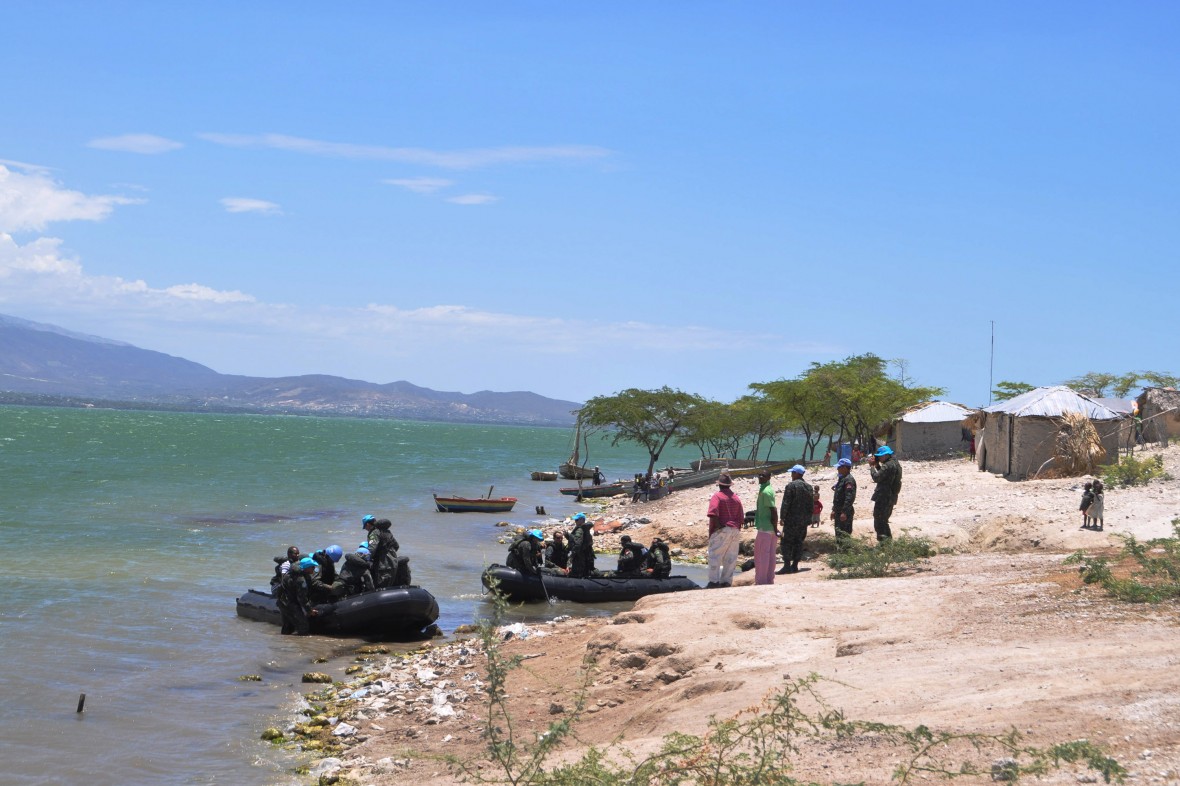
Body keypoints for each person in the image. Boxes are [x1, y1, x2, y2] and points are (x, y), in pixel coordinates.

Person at [705, 472, 744, 588]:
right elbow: (741, 517)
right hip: (734, 529)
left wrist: (718, 527)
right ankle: (726, 581)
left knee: (715, 556)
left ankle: (713, 582)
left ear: (719, 485)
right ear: (730, 485)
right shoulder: (736, 498)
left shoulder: (717, 497)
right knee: (730, 557)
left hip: (722, 529)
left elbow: (713, 513)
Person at [778, 465, 813, 574]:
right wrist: (809, 519)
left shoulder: (791, 486)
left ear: (797, 474)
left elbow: (786, 503)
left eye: (793, 473)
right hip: (803, 521)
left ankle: (787, 565)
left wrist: (782, 517)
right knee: (799, 542)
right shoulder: (809, 487)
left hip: (791, 520)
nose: (791, 475)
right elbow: (811, 505)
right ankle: (795, 565)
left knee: (786, 542)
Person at [868, 446, 902, 542]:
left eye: (880, 456)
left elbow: (877, 477)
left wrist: (872, 467)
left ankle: (884, 544)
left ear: (886, 455)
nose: (879, 458)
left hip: (884, 497)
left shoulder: (888, 465)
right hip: (890, 496)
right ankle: (887, 544)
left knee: (879, 521)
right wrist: (877, 466)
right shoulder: (895, 463)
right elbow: (885, 475)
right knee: (883, 521)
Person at [277, 556, 318, 635]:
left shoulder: (291, 573)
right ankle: (302, 641)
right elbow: (302, 598)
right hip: (289, 603)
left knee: (287, 626)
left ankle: (284, 640)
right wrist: (309, 611)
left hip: (282, 601)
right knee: (303, 626)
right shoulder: (300, 579)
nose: (314, 569)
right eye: (312, 567)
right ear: (307, 568)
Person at [752, 468, 779, 585]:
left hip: (765, 528)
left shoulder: (766, 491)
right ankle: (769, 579)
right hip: (768, 528)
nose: (760, 477)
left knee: (761, 556)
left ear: (769, 478)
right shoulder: (765, 489)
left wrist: (775, 527)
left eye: (763, 475)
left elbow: (773, 510)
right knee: (770, 555)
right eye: (759, 475)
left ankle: (761, 581)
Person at [365, 516, 400, 588]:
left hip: (383, 565)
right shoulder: (387, 532)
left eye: (365, 527)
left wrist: (365, 560)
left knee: (380, 587)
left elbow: (372, 549)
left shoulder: (374, 532)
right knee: (388, 587)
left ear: (368, 524)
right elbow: (396, 546)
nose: (366, 529)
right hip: (394, 563)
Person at [831, 457, 857, 546]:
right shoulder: (842, 479)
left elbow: (849, 497)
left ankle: (845, 552)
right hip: (838, 511)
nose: (837, 469)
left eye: (839, 467)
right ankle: (840, 551)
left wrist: (844, 512)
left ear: (845, 468)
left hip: (845, 512)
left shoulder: (849, 480)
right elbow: (838, 497)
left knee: (845, 535)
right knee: (839, 534)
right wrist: (834, 510)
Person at [567, 512, 596, 578]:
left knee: (577, 572)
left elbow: (577, 544)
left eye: (577, 520)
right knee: (585, 571)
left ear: (582, 520)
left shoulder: (579, 530)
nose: (575, 521)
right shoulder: (585, 529)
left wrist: (572, 556)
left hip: (580, 555)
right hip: (587, 554)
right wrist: (568, 536)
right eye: (575, 520)